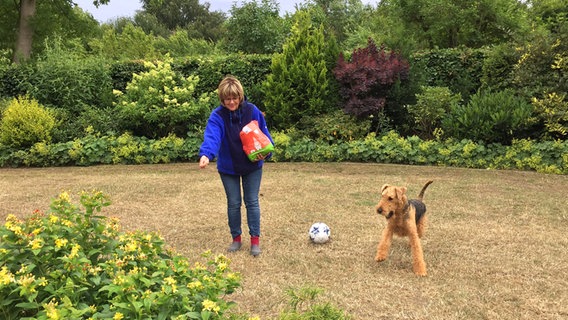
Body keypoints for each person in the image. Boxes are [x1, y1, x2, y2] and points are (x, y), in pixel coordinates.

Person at [198, 75, 273, 257]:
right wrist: (206, 154)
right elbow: (212, 136)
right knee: (233, 203)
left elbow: (263, 134)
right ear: (222, 99)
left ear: (240, 96)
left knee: (252, 201)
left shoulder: (252, 111)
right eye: (227, 99)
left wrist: (268, 150)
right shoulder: (217, 116)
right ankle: (236, 239)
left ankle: (255, 241)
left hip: (252, 165)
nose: (231, 102)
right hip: (228, 167)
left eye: (234, 98)